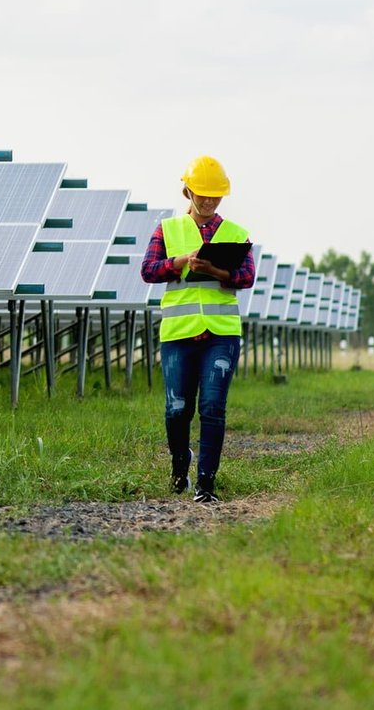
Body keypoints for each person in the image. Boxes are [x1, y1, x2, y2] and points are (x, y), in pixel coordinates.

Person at [140, 155, 255, 502]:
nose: (207, 201)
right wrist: (181, 262)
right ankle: (180, 464)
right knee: (177, 410)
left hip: (221, 334)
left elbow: (247, 276)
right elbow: (148, 270)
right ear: (187, 191)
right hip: (179, 333)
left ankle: (206, 484)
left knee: (213, 407)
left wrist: (219, 272)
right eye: (201, 194)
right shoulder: (168, 229)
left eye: (215, 196)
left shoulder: (235, 234)